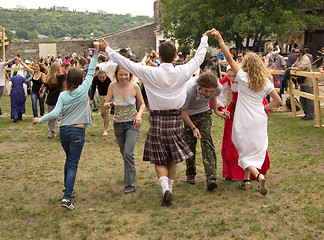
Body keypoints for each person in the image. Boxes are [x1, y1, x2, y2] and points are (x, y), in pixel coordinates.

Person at [99, 28, 214, 206]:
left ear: (159, 57)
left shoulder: (150, 72)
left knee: (159, 157)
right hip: (176, 118)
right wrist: (204, 38)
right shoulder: (183, 70)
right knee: (172, 156)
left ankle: (165, 188)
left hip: (158, 119)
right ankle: (170, 187)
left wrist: (107, 49)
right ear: (175, 56)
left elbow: (126, 63)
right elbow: (199, 58)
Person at [213, 29, 281, 196]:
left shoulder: (242, 77)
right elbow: (278, 102)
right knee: (255, 148)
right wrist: (263, 108)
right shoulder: (265, 82)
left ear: (246, 65)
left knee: (242, 149)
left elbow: (228, 57)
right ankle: (246, 180)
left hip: (243, 118)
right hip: (259, 118)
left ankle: (257, 175)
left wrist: (220, 38)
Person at [32, 50, 99, 211]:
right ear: (81, 80)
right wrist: (95, 55)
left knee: (69, 160)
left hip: (63, 132)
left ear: (67, 80)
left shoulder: (63, 95)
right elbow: (91, 71)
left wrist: (39, 119)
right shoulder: (83, 90)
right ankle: (67, 198)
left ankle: (67, 188)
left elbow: (55, 114)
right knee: (73, 163)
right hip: (77, 132)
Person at [217, 66, 271, 183]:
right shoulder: (228, 80)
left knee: (253, 140)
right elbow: (219, 90)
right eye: (229, 76)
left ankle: (253, 173)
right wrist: (221, 108)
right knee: (232, 142)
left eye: (234, 76)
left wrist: (262, 109)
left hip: (250, 112)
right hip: (234, 111)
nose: (231, 79)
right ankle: (233, 173)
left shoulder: (249, 80)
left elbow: (260, 98)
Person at [104, 65, 145, 193]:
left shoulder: (135, 86)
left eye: (126, 74)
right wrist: (109, 104)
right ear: (116, 75)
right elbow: (105, 105)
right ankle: (131, 172)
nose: (123, 77)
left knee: (128, 152)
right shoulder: (112, 87)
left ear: (130, 75)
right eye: (121, 75)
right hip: (118, 125)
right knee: (125, 154)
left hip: (133, 123)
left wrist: (138, 115)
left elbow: (143, 104)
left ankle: (129, 185)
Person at [181, 72, 224, 189]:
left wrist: (216, 110)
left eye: (211, 91)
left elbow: (214, 96)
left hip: (204, 113)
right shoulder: (189, 89)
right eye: (206, 91)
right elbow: (183, 111)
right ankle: (190, 174)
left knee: (206, 140)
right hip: (188, 115)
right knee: (190, 145)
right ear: (200, 87)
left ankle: (211, 177)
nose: (208, 94)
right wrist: (193, 128)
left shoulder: (217, 87)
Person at [39, 62, 64, 138]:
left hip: (50, 99)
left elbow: (43, 86)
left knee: (51, 117)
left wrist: (41, 92)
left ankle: (51, 132)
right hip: (59, 99)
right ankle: (61, 131)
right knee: (60, 116)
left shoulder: (48, 78)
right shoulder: (61, 78)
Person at [291, 47, 314, 120]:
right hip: (302, 82)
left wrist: (296, 69)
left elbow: (301, 67)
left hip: (308, 82)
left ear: (301, 52)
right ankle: (306, 113)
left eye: (297, 52)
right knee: (302, 99)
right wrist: (294, 68)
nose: (296, 54)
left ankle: (311, 115)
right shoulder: (299, 59)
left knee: (309, 99)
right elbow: (293, 66)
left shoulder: (305, 59)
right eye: (295, 52)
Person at [90, 71, 112, 135]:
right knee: (102, 113)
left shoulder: (108, 80)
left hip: (107, 96)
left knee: (106, 111)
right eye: (100, 77)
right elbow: (93, 88)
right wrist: (91, 98)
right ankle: (107, 122)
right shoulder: (95, 79)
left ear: (105, 76)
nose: (101, 79)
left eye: (103, 77)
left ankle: (106, 127)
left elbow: (111, 89)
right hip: (100, 95)